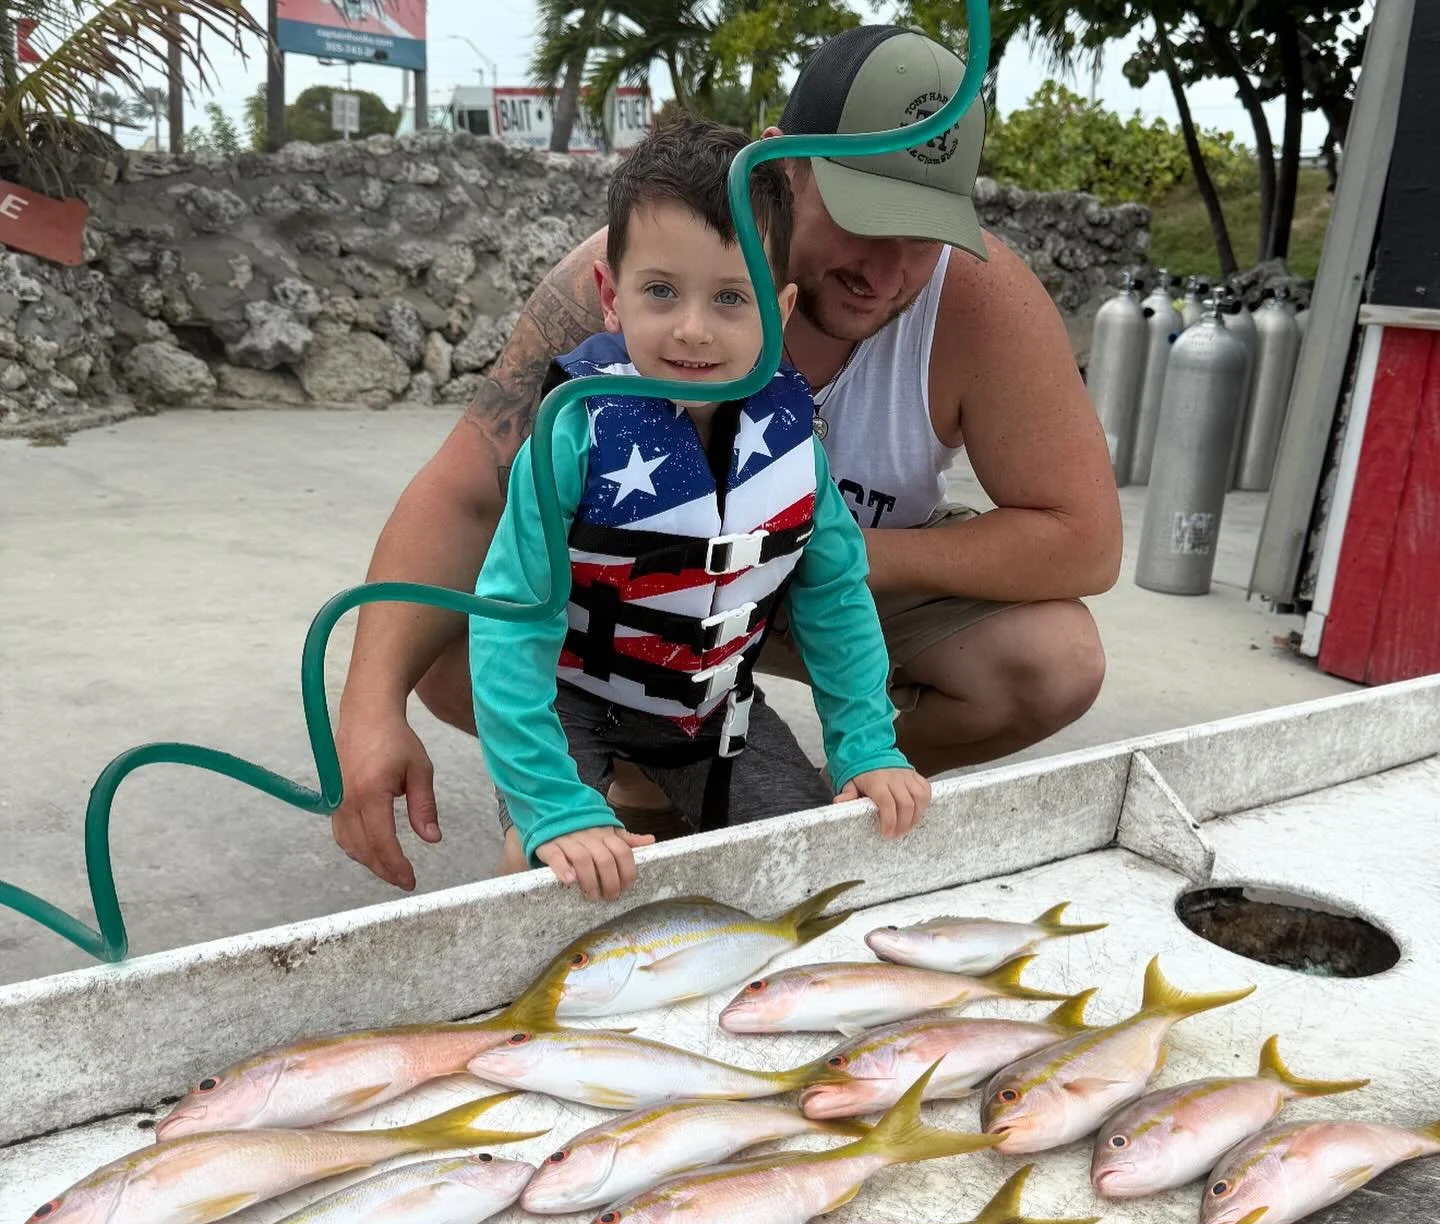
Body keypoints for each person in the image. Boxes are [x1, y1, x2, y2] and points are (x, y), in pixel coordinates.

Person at [332, 23, 1121, 893]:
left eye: (922, 233)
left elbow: (1077, 543)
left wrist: (845, 691)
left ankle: (800, 797)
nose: (885, 270)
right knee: (467, 657)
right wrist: (370, 711)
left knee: (1022, 680)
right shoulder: (631, 286)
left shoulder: (968, 312)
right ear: (776, 169)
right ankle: (599, 799)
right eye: (862, 217)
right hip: (610, 630)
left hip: (760, 620)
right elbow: (466, 498)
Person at [469, 116, 928, 900]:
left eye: (731, 298)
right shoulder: (572, 435)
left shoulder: (796, 447)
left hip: (713, 706)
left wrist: (867, 746)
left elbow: (837, 597)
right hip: (573, 696)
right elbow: (510, 625)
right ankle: (570, 815)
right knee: (542, 874)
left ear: (780, 310)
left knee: (813, 866)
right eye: (660, 291)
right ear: (610, 297)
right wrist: (552, 807)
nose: (692, 329)